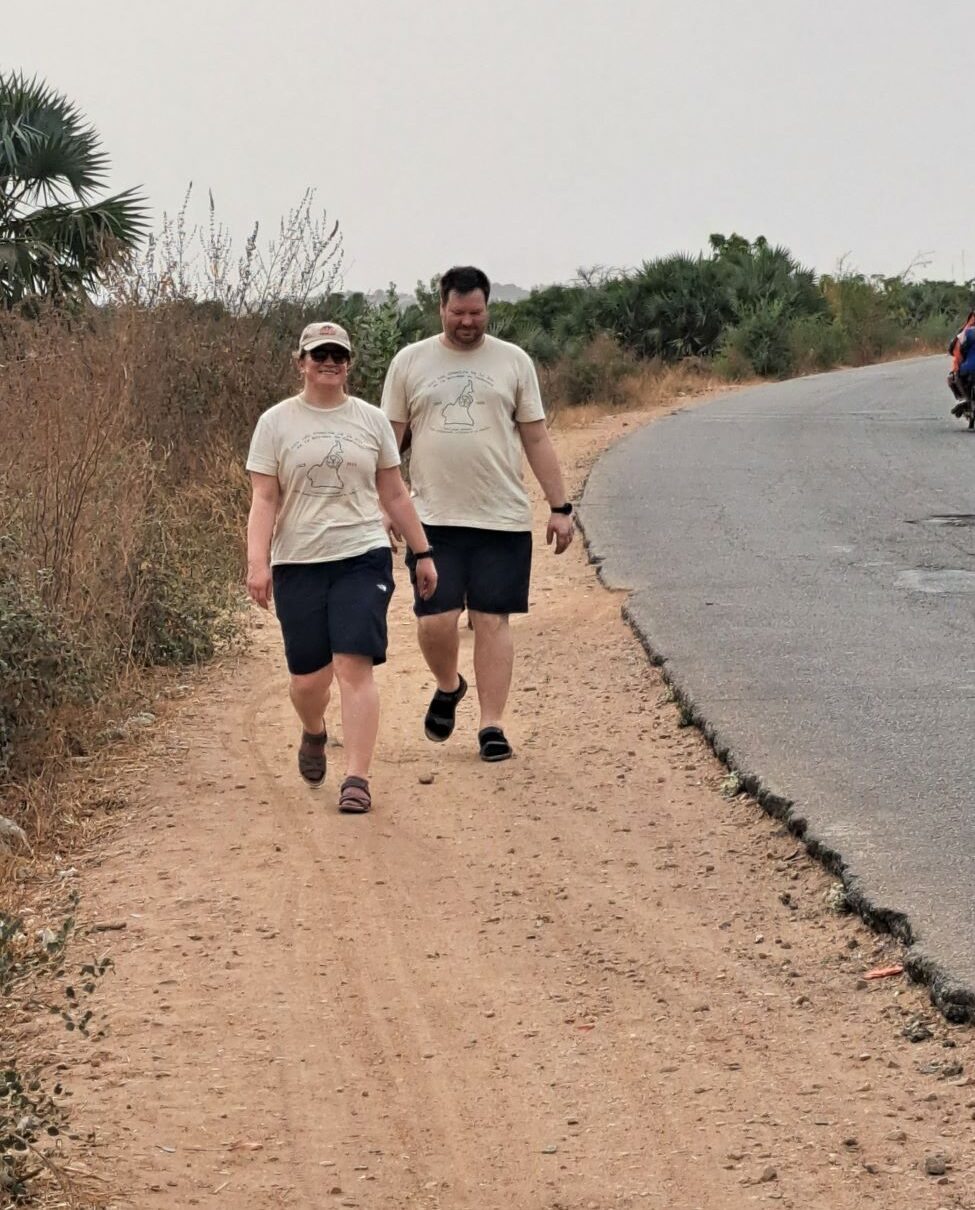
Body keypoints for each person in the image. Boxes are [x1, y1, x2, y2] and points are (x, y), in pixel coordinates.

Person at [380, 265, 574, 763]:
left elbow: (535, 437)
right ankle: (449, 686)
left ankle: (492, 726)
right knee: (436, 621)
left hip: (501, 517)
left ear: (488, 308)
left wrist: (560, 507)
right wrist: (384, 505)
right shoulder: (409, 362)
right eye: (458, 312)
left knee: (492, 620)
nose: (467, 322)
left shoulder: (513, 361)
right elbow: (389, 444)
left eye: (476, 312)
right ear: (441, 308)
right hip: (431, 519)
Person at [246, 321, 437, 814]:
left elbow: (393, 492)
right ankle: (314, 730)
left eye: (338, 355)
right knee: (309, 681)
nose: (329, 363)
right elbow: (264, 498)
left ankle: (357, 777)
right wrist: (257, 564)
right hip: (299, 561)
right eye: (319, 355)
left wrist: (423, 552)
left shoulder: (371, 421)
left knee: (354, 665)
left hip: (362, 556)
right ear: (301, 362)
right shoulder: (275, 422)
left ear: (349, 363)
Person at [948, 310, 975, 416]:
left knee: (955, 375)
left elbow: (954, 348)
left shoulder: (967, 332)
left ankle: (965, 399)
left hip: (969, 368)